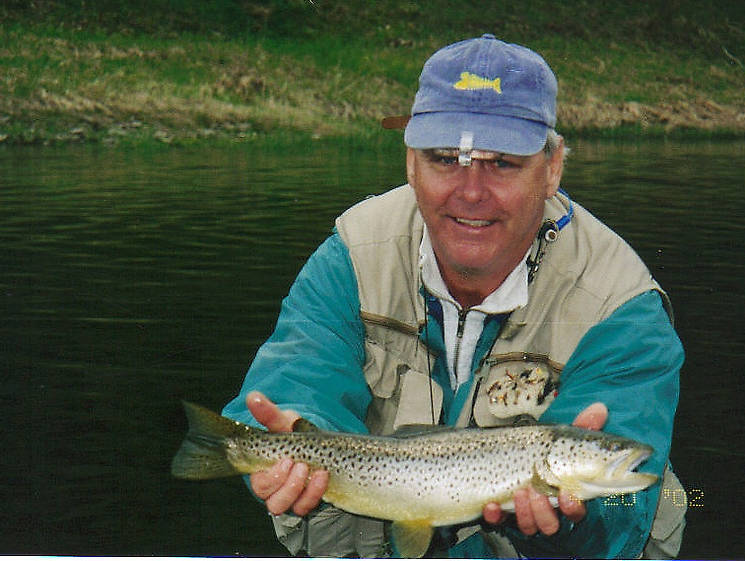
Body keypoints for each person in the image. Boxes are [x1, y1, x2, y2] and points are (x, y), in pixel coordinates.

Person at [223, 34, 686, 558]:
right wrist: (297, 434)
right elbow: (295, 381)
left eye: (503, 163)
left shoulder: (619, 305)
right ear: (410, 163)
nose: (470, 191)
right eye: (446, 158)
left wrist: (574, 523)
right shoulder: (352, 257)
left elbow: (630, 500)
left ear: (553, 166)